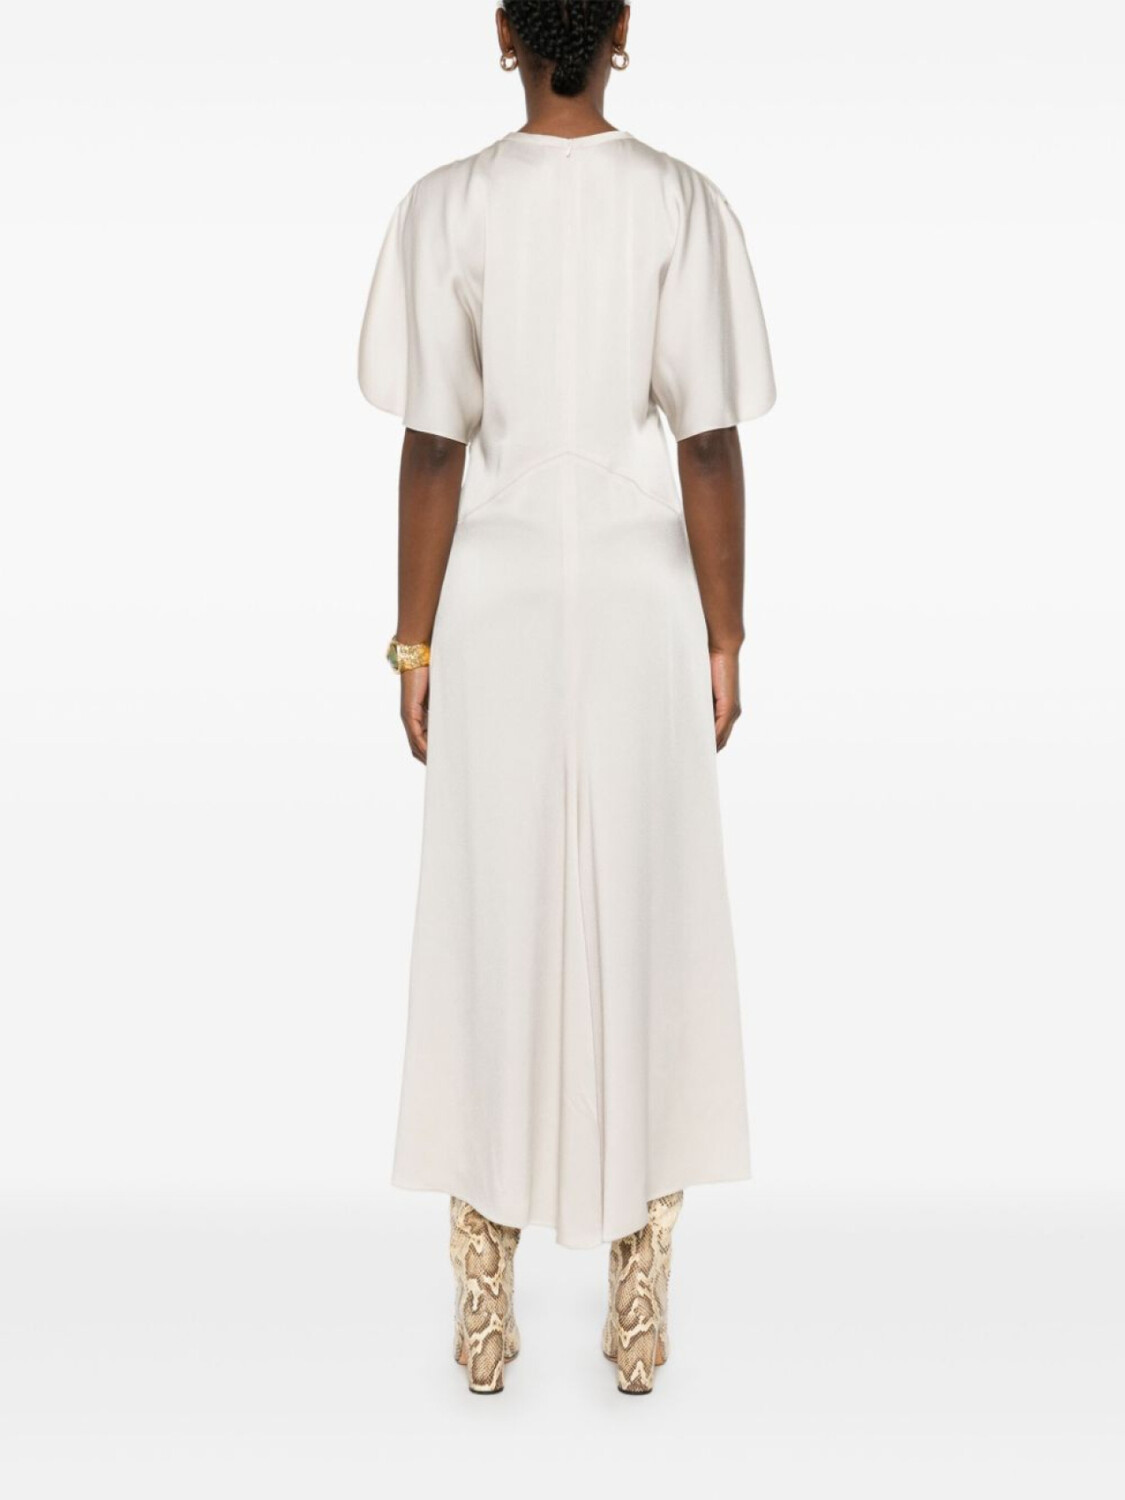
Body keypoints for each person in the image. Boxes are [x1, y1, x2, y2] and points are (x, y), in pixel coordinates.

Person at [358, 0, 775, 1395]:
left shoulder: (448, 206)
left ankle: (483, 1301)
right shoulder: (680, 203)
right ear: (620, 31)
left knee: (488, 913)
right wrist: (725, 631)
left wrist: (411, 642)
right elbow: (706, 442)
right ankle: (638, 1299)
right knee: (648, 912)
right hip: (645, 592)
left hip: (497, 592)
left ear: (503, 34)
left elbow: (434, 446)